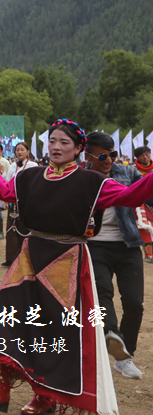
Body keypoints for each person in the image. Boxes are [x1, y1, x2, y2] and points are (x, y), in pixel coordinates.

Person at [0, 119, 153, 415]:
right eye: (53, 141)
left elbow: (133, 196)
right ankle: (1, 387)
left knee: (56, 332)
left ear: (79, 149)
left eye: (65, 143)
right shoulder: (30, 177)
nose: (56, 147)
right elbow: (2, 190)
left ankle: (46, 397)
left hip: (67, 260)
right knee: (6, 316)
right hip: (29, 256)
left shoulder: (93, 183)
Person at [84, 131, 147, 380]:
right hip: (94, 244)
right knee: (103, 293)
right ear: (88, 155)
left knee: (135, 303)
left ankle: (124, 355)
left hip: (129, 244)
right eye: (102, 155)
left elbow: (148, 195)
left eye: (113, 154)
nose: (109, 159)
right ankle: (112, 335)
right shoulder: (81, 179)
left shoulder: (129, 174)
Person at [2, 142, 38, 266]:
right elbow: (7, 181)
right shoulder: (12, 166)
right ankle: (11, 258)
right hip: (13, 202)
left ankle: (26, 258)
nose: (19, 152)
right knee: (11, 229)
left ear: (28, 152)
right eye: (17, 150)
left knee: (24, 229)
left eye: (22, 150)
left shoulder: (33, 165)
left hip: (26, 202)